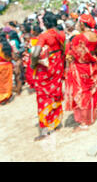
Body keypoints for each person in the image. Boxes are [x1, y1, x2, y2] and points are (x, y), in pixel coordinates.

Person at [31, 12, 65, 141]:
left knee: (43, 96)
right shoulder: (61, 34)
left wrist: (33, 65)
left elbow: (35, 54)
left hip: (47, 69)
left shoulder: (44, 35)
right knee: (55, 93)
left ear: (44, 23)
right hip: (57, 66)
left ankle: (45, 130)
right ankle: (56, 123)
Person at [64, 14, 97, 131]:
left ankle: (84, 122)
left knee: (81, 93)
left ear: (81, 24)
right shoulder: (95, 35)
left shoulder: (78, 38)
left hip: (81, 68)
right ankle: (91, 116)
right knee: (90, 92)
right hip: (92, 67)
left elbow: (71, 54)